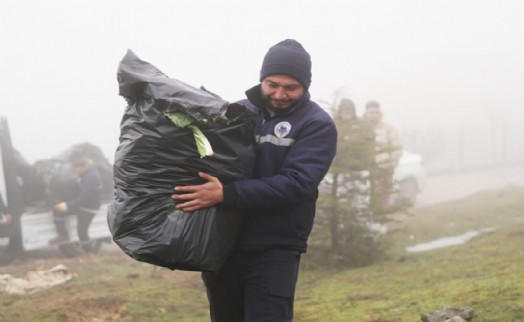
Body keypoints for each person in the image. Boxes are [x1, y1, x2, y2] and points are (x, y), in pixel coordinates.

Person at [172, 39, 338, 322]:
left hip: (274, 248)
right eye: (272, 84)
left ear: (305, 86)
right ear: (262, 79)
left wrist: (227, 194)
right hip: (223, 244)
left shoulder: (316, 124)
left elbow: (297, 183)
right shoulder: (237, 112)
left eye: (291, 87)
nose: (280, 94)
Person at [49, 153, 102, 252]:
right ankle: (63, 235)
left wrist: (67, 204)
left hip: (88, 208)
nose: (75, 171)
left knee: (82, 231)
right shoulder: (87, 172)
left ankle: (89, 252)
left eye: (77, 168)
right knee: (57, 209)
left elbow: (83, 198)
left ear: (84, 166)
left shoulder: (90, 179)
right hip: (83, 205)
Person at [362, 100, 403, 214]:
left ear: (380, 113)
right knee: (366, 196)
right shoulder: (361, 127)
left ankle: (380, 222)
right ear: (366, 113)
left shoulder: (388, 128)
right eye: (371, 112)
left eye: (376, 112)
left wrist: (391, 164)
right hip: (365, 169)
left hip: (384, 168)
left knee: (383, 197)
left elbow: (397, 147)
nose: (374, 115)